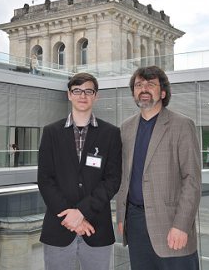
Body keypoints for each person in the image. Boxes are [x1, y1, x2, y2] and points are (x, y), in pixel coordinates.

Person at [116, 66, 201, 270]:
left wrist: (181, 225)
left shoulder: (182, 125)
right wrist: (121, 216)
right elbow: (123, 177)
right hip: (135, 222)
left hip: (171, 223)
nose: (143, 89)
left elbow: (192, 180)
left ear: (162, 92)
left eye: (150, 84)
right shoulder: (125, 128)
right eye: (138, 85)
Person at [38, 72, 122, 270]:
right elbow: (45, 179)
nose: (82, 95)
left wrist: (82, 212)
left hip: (96, 228)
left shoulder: (111, 133)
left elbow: (113, 180)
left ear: (96, 96)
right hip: (59, 227)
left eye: (88, 91)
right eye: (77, 90)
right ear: (69, 94)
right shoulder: (51, 132)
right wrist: (71, 217)